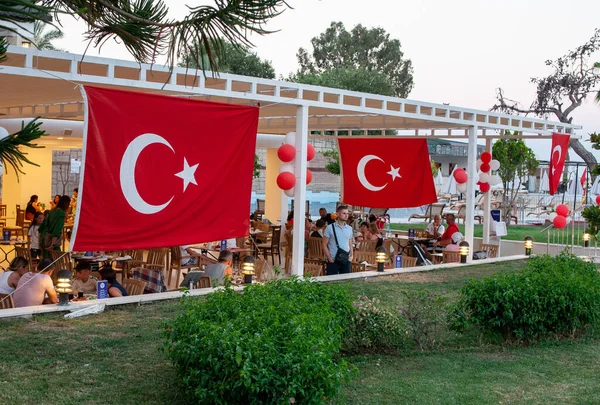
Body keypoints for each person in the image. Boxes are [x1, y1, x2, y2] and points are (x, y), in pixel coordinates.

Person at [322, 205, 353, 275]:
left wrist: (351, 256)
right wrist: (330, 258)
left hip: (346, 258)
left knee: (346, 281)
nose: (346, 215)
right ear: (338, 214)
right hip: (333, 258)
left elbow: (350, 243)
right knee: (331, 281)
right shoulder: (330, 228)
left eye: (347, 213)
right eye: (344, 213)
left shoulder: (349, 228)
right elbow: (324, 244)